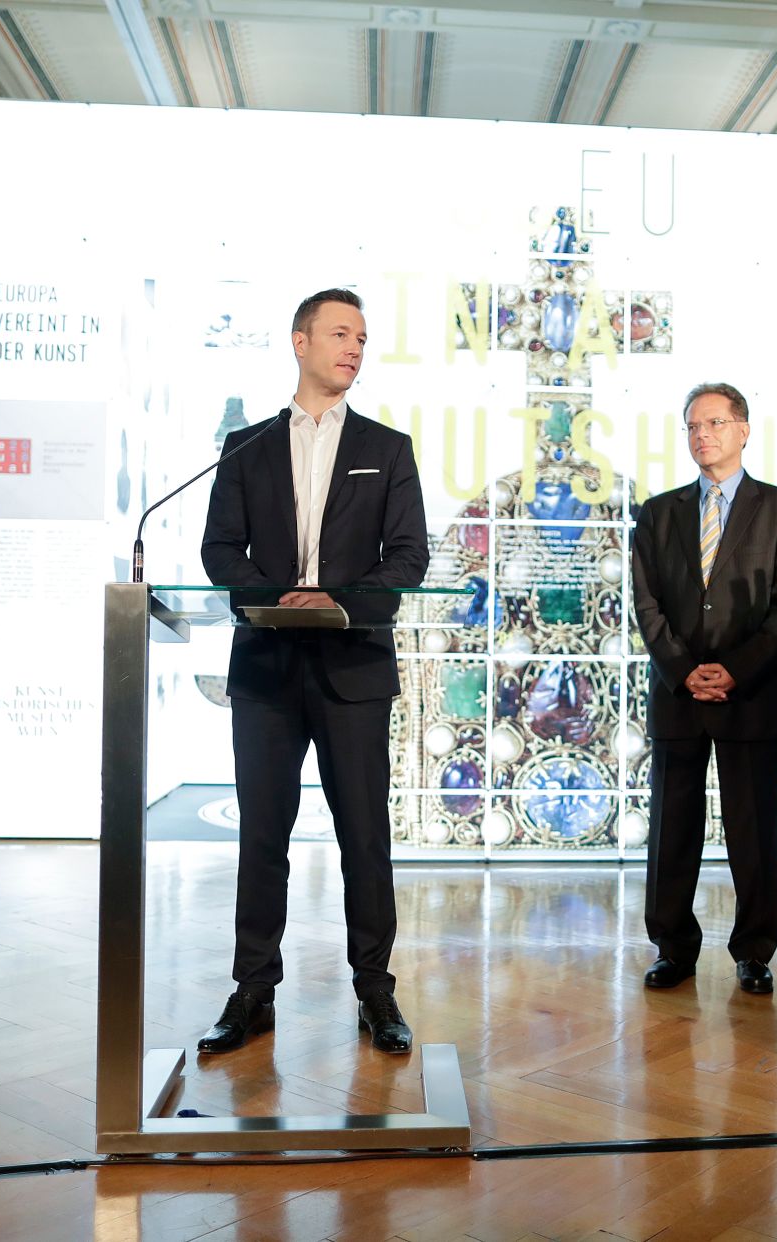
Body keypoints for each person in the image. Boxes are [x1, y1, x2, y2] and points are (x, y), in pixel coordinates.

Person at [198, 288, 429, 1055]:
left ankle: (375, 993)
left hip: (352, 666)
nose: (354, 348)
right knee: (262, 836)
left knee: (365, 837)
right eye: (339, 333)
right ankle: (253, 990)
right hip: (266, 667)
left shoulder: (387, 449)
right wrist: (277, 596)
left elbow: (409, 557)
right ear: (299, 343)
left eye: (362, 337)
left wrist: (336, 598)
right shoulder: (247, 444)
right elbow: (220, 551)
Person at [630, 382, 777, 995]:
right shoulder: (658, 512)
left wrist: (735, 668)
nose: (701, 435)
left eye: (713, 423)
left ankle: (754, 951)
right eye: (692, 426)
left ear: (743, 429)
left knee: (753, 829)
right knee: (671, 829)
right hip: (678, 692)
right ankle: (672, 948)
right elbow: (647, 603)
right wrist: (683, 670)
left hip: (750, 691)